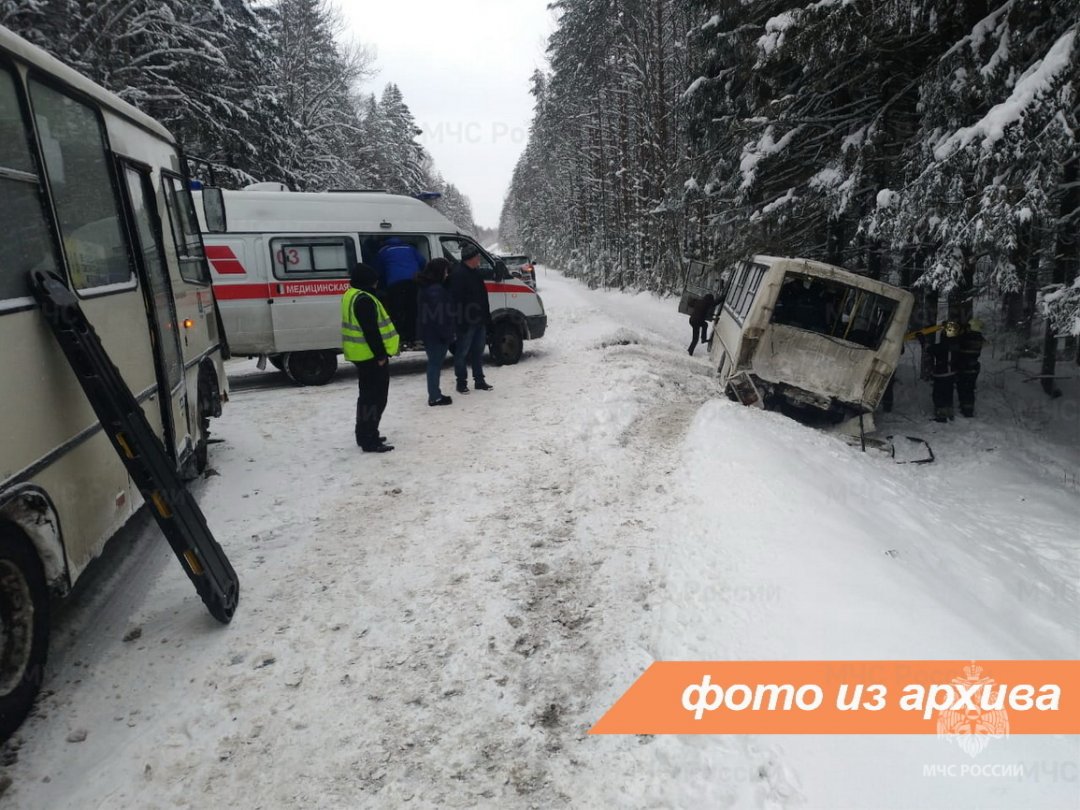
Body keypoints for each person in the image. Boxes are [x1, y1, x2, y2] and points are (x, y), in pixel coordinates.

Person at [342, 263, 400, 452]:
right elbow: (371, 331)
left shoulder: (351, 295)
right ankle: (370, 439)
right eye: (374, 281)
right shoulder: (365, 300)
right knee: (376, 399)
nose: (377, 284)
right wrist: (381, 355)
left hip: (361, 355)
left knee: (366, 398)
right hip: (371, 358)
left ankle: (365, 434)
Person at [449, 243, 493, 394]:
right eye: (477, 257)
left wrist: (486, 317)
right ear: (470, 258)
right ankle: (461, 383)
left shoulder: (475, 272)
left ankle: (479, 381)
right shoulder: (458, 274)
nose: (479, 259)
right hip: (467, 322)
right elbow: (456, 301)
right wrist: (460, 322)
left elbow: (482, 297)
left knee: (478, 352)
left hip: (479, 320)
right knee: (461, 353)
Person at [416, 258, 455, 407]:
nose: (447, 274)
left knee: (434, 364)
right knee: (435, 364)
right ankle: (434, 396)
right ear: (439, 271)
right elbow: (440, 316)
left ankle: (435, 393)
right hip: (436, 334)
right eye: (445, 271)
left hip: (430, 332)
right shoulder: (436, 290)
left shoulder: (427, 287)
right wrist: (447, 334)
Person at [377, 237, 426, 344]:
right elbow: (423, 262)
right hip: (413, 282)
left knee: (397, 311)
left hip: (395, 284)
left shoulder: (383, 251)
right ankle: (412, 337)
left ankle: (399, 337)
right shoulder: (410, 248)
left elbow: (378, 269)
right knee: (412, 310)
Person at [927, 321, 960, 423]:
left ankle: (941, 416)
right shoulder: (956, 345)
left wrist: (924, 341)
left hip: (941, 374)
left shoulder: (943, 345)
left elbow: (930, 350)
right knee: (948, 394)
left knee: (938, 395)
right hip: (951, 374)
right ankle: (949, 413)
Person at [954, 319, 986, 417]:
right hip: (973, 368)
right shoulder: (980, 338)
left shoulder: (966, 337)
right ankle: (968, 409)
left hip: (964, 367)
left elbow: (956, 342)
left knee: (962, 388)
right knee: (969, 389)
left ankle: (965, 409)